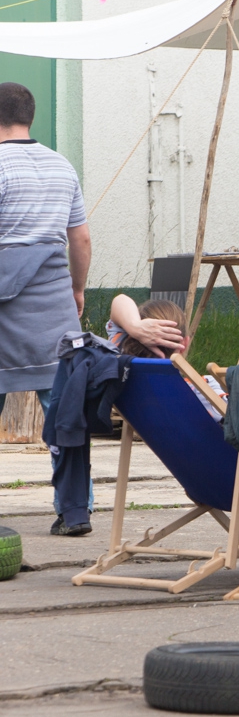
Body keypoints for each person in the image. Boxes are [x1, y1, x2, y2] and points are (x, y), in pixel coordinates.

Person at [0, 82, 94, 536]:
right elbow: (81, 238)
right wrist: (76, 289)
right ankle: (75, 510)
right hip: (54, 301)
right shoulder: (62, 165)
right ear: (30, 116)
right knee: (65, 409)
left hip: (5, 307)